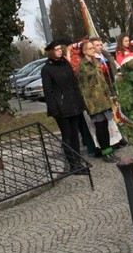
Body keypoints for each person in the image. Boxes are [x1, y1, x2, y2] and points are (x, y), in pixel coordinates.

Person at [41, 40, 87, 174]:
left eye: (60, 48)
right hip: (61, 109)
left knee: (75, 135)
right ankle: (72, 165)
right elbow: (48, 92)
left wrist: (79, 102)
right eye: (56, 49)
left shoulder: (65, 63)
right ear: (51, 52)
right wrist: (55, 109)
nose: (60, 50)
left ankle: (78, 161)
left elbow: (74, 84)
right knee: (67, 136)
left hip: (73, 105)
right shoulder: (47, 69)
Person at [76, 40, 119, 163]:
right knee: (100, 127)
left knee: (106, 126)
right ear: (84, 51)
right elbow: (83, 88)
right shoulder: (82, 66)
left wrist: (109, 95)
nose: (93, 50)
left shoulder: (96, 62)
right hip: (94, 103)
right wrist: (89, 106)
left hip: (103, 100)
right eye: (90, 48)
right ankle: (105, 152)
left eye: (92, 48)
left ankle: (110, 150)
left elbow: (103, 81)